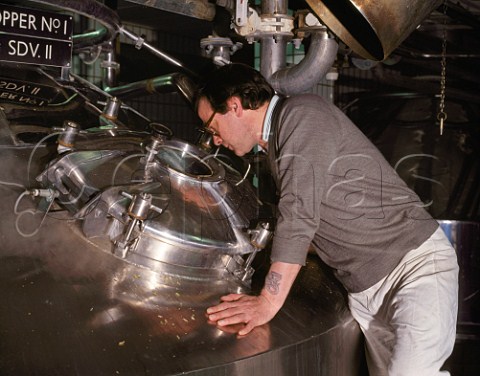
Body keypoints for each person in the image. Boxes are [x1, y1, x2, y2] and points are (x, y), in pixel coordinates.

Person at [195, 63, 459, 375]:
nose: (213, 140)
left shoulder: (301, 114)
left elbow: (299, 215)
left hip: (412, 270)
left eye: (211, 128)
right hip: (366, 292)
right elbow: (308, 218)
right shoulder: (279, 142)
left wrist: (268, 300)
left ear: (235, 106)